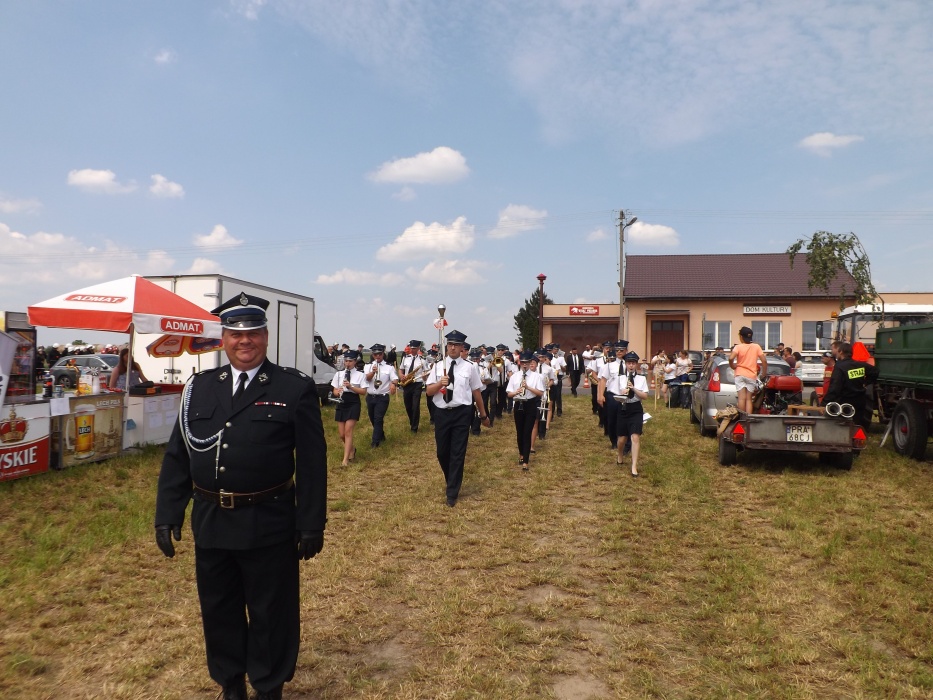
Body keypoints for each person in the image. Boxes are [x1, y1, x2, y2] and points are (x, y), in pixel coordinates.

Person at [154, 292, 327, 700]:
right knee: (219, 611)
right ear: (223, 337)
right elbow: (179, 455)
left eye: (252, 333)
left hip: (268, 522)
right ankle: (231, 685)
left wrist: (311, 522)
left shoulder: (293, 387)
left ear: (265, 337)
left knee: (271, 612)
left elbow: (313, 462)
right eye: (234, 333)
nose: (243, 341)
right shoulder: (199, 387)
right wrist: (168, 513)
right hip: (212, 523)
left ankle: (268, 687)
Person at [425, 329, 489, 507]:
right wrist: (440, 383)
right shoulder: (438, 366)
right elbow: (429, 391)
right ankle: (451, 479)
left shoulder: (469, 367)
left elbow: (476, 391)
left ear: (462, 347)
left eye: (456, 345)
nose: (452, 348)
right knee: (442, 452)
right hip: (442, 412)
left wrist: (483, 415)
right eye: (450, 344)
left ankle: (452, 492)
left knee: (457, 453)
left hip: (462, 412)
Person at [822, 342, 878, 430]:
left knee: (843, 427)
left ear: (840, 352)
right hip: (860, 400)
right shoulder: (860, 365)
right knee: (857, 425)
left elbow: (835, 387)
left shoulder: (840, 367)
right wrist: (866, 383)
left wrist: (825, 403)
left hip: (844, 402)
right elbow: (875, 371)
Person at [507, 350, 545, 469]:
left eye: (527, 362)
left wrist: (528, 388)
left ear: (530, 363)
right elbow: (508, 394)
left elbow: (540, 393)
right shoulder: (514, 376)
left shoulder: (536, 376)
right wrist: (516, 392)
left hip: (530, 404)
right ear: (519, 363)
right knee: (520, 432)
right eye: (522, 362)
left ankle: (526, 461)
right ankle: (521, 454)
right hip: (518, 404)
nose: (524, 365)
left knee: (527, 432)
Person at [615, 351, 650, 477]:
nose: (631, 366)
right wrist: (623, 392)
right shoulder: (620, 378)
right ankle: (620, 454)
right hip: (623, 407)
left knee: (635, 437)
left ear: (636, 364)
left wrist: (634, 388)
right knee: (622, 439)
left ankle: (634, 466)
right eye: (629, 363)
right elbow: (615, 394)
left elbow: (645, 396)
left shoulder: (641, 379)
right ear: (626, 364)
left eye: (633, 363)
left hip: (636, 408)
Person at [332, 350, 366, 466]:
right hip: (342, 402)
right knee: (342, 434)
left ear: (355, 362)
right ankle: (351, 449)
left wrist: (351, 387)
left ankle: (345, 460)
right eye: (346, 361)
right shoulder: (339, 374)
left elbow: (363, 391)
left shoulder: (360, 375)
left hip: (353, 403)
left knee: (348, 431)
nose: (348, 363)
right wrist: (338, 392)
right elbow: (334, 390)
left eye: (350, 361)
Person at [364, 343, 398, 448]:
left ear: (383, 354)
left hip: (382, 397)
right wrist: (373, 372)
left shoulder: (389, 367)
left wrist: (393, 384)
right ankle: (381, 435)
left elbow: (395, 378)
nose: (377, 356)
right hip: (370, 397)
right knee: (372, 418)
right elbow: (366, 379)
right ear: (372, 355)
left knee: (378, 418)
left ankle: (375, 442)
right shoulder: (368, 366)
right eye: (375, 354)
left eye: (379, 354)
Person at [728, 326, 767, 414]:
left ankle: (742, 418)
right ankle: (748, 418)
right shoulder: (756, 347)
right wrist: (763, 373)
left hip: (740, 374)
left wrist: (733, 366)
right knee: (749, 399)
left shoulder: (738, 347)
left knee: (741, 398)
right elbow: (764, 361)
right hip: (751, 375)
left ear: (741, 337)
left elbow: (731, 358)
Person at [398, 340, 427, 432]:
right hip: (407, 383)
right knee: (408, 405)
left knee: (415, 406)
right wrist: (401, 376)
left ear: (418, 348)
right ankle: (412, 421)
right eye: (411, 348)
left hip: (417, 383)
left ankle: (414, 427)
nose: (412, 350)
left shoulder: (422, 360)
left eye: (414, 348)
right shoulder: (405, 358)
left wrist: (424, 376)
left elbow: (426, 372)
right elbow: (401, 369)